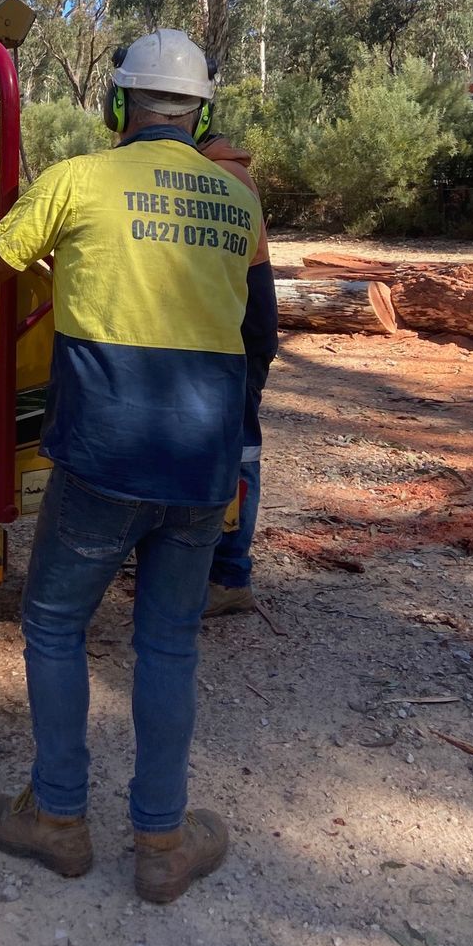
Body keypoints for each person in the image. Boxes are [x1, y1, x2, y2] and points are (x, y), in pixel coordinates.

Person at [0, 29, 265, 903]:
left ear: (117, 105)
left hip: (105, 456)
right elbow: (249, 327)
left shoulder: (78, 180)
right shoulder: (239, 200)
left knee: (56, 624)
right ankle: (163, 842)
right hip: (202, 462)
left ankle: (59, 816)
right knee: (168, 642)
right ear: (199, 111)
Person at [196, 117, 279, 616]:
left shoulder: (225, 177)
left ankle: (230, 575)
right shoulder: (218, 171)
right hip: (237, 333)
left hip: (239, 337)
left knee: (239, 453)